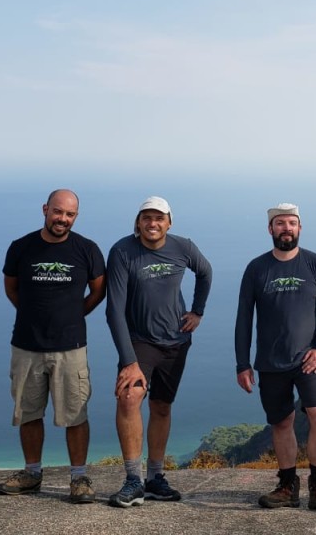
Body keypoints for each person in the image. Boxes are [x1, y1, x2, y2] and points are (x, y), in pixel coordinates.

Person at [0, 189, 106, 504]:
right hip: (26, 345)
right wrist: (33, 316)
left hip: (70, 346)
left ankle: (79, 477)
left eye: (70, 214)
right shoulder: (21, 247)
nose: (63, 219)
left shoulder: (87, 250)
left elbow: (98, 291)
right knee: (29, 411)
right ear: (45, 209)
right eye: (58, 212)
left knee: (76, 413)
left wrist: (73, 315)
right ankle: (32, 473)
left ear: (76, 216)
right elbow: (11, 288)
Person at [105, 196, 213, 508]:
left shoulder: (183, 247)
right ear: (138, 222)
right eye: (146, 218)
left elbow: (205, 272)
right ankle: (132, 480)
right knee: (129, 398)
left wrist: (197, 311)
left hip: (176, 341)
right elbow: (114, 310)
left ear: (169, 222)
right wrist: (129, 361)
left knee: (162, 406)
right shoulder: (123, 251)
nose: (153, 224)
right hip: (140, 342)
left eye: (159, 218)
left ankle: (154, 478)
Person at [234, 203, 316, 515]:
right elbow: (244, 318)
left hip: (310, 360)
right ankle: (287, 485)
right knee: (282, 421)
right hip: (270, 361)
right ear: (270, 229)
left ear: (300, 228)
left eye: (292, 223)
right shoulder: (257, 269)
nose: (286, 228)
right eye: (280, 223)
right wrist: (242, 363)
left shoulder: (315, 264)